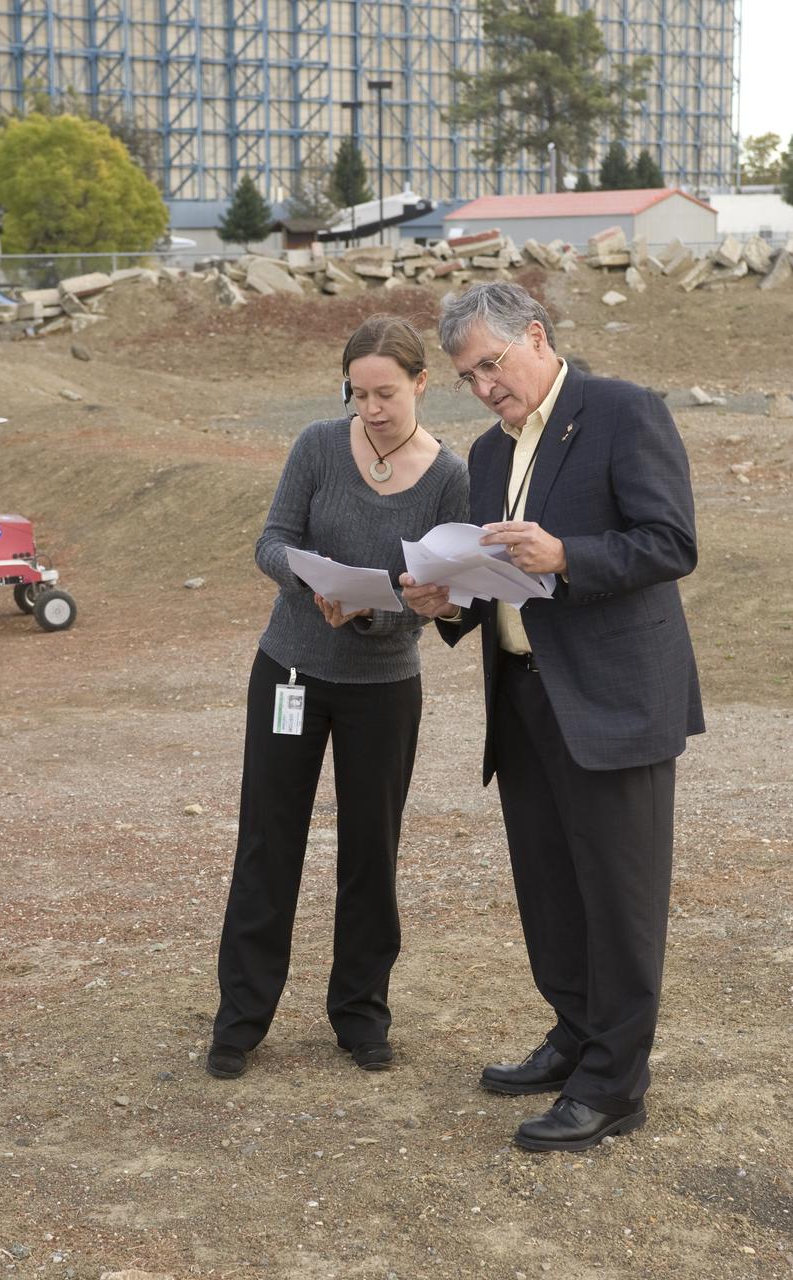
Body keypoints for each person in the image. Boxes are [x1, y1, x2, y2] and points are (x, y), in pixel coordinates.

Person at [402, 282, 703, 1151]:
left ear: (535, 337)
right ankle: (576, 1037)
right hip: (526, 697)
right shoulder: (488, 455)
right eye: (468, 377)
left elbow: (672, 541)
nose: (485, 387)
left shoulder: (621, 411)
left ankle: (614, 1085)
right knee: (551, 890)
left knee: (619, 899)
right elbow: (493, 574)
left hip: (614, 698)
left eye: (491, 366)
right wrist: (442, 600)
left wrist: (568, 554)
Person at [207, 315, 470, 1080]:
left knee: (369, 854)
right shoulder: (319, 444)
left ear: (421, 385)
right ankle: (240, 1020)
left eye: (386, 393)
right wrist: (311, 579)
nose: (371, 409)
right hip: (291, 668)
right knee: (268, 842)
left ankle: (360, 1015)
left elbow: (444, 589)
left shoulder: (450, 476)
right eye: (358, 394)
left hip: (385, 687)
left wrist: (397, 604)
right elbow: (270, 541)